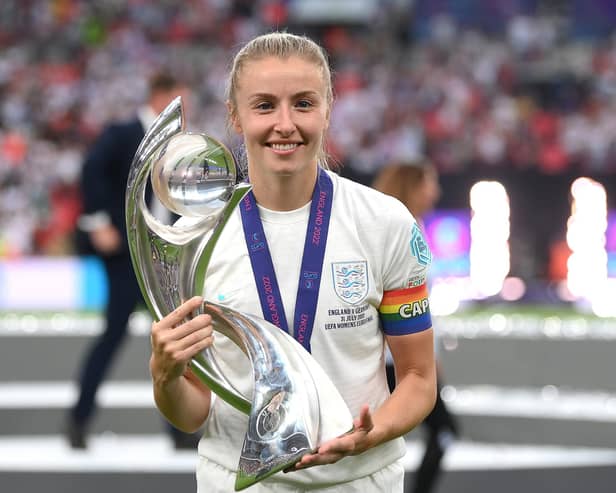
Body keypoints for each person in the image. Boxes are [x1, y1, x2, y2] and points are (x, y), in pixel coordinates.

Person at [149, 32, 437, 492]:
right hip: (239, 482)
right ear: (235, 117)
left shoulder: (384, 222)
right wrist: (165, 379)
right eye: (264, 106)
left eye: (303, 103)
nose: (285, 124)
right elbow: (193, 412)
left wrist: (371, 434)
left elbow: (420, 377)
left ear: (327, 110)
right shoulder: (196, 240)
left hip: (360, 480)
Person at [67, 72, 199, 450]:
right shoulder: (124, 132)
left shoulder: (180, 144)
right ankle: (79, 418)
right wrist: (98, 222)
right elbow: (91, 171)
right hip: (126, 255)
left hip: (164, 257)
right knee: (115, 334)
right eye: (179, 99)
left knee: (173, 339)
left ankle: (179, 427)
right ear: (161, 95)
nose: (184, 109)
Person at [373, 161, 459, 493]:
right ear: (412, 186)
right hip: (396, 361)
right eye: (429, 182)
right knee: (441, 431)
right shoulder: (397, 232)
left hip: (404, 358)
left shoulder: (408, 227)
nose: (435, 191)